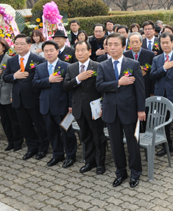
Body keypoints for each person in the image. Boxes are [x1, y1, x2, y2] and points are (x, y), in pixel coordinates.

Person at [96, 33, 145, 188]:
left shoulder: (133, 64)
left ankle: (135, 172)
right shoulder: (102, 65)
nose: (112, 47)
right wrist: (118, 82)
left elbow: (140, 90)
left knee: (132, 144)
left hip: (129, 110)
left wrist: (141, 110)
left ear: (124, 47)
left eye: (116, 44)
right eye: (109, 44)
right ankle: (121, 172)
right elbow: (99, 86)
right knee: (116, 145)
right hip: (111, 111)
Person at [63, 40, 107, 175]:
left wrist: (103, 105)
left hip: (94, 108)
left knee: (98, 136)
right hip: (79, 108)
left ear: (89, 51)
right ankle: (89, 161)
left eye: (83, 50)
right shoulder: (71, 68)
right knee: (85, 136)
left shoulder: (98, 66)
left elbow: (102, 88)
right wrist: (78, 78)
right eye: (77, 50)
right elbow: (66, 86)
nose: (80, 53)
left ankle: (100, 163)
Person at [3, 34, 49, 160]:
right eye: (16, 43)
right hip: (18, 99)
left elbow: (43, 78)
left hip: (34, 98)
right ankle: (32, 147)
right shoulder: (11, 60)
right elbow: (5, 77)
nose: (18, 46)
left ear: (29, 45)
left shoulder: (38, 59)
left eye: (22, 43)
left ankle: (43, 147)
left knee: (40, 125)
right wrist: (14, 76)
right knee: (25, 126)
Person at [33, 40, 77, 168]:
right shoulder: (40, 67)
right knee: (51, 132)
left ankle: (70, 156)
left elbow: (70, 88)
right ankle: (57, 155)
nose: (48, 53)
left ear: (57, 51)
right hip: (46, 106)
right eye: (46, 51)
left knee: (67, 132)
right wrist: (49, 80)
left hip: (62, 106)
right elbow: (35, 84)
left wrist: (70, 105)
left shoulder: (66, 66)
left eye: (51, 50)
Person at [150, 33, 173, 160]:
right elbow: (152, 75)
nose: (165, 45)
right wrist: (164, 68)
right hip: (161, 95)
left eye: (167, 42)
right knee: (163, 123)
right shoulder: (157, 59)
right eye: (162, 43)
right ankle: (167, 146)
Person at [0, 38, 23, 151]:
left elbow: (14, 79)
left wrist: (13, 95)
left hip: (8, 92)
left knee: (14, 120)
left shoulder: (10, 60)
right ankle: (10, 141)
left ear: (3, 47)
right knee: (4, 121)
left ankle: (18, 142)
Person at [124, 32, 154, 97]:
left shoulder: (150, 55)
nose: (135, 44)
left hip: (145, 88)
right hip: (130, 89)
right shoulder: (125, 56)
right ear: (129, 44)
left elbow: (152, 74)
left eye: (137, 42)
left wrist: (152, 92)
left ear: (141, 42)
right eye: (132, 42)